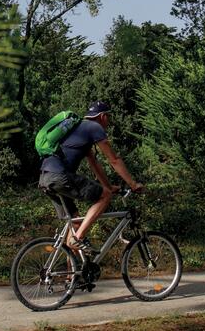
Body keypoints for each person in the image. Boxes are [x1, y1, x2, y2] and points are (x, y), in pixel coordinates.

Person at [38, 101, 143, 259]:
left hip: (45, 177)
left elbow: (94, 164)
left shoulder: (79, 129)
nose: (109, 122)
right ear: (102, 116)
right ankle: (77, 239)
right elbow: (113, 160)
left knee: (76, 224)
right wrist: (133, 184)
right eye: (109, 117)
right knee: (104, 197)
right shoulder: (95, 128)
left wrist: (108, 186)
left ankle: (71, 277)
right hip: (60, 176)